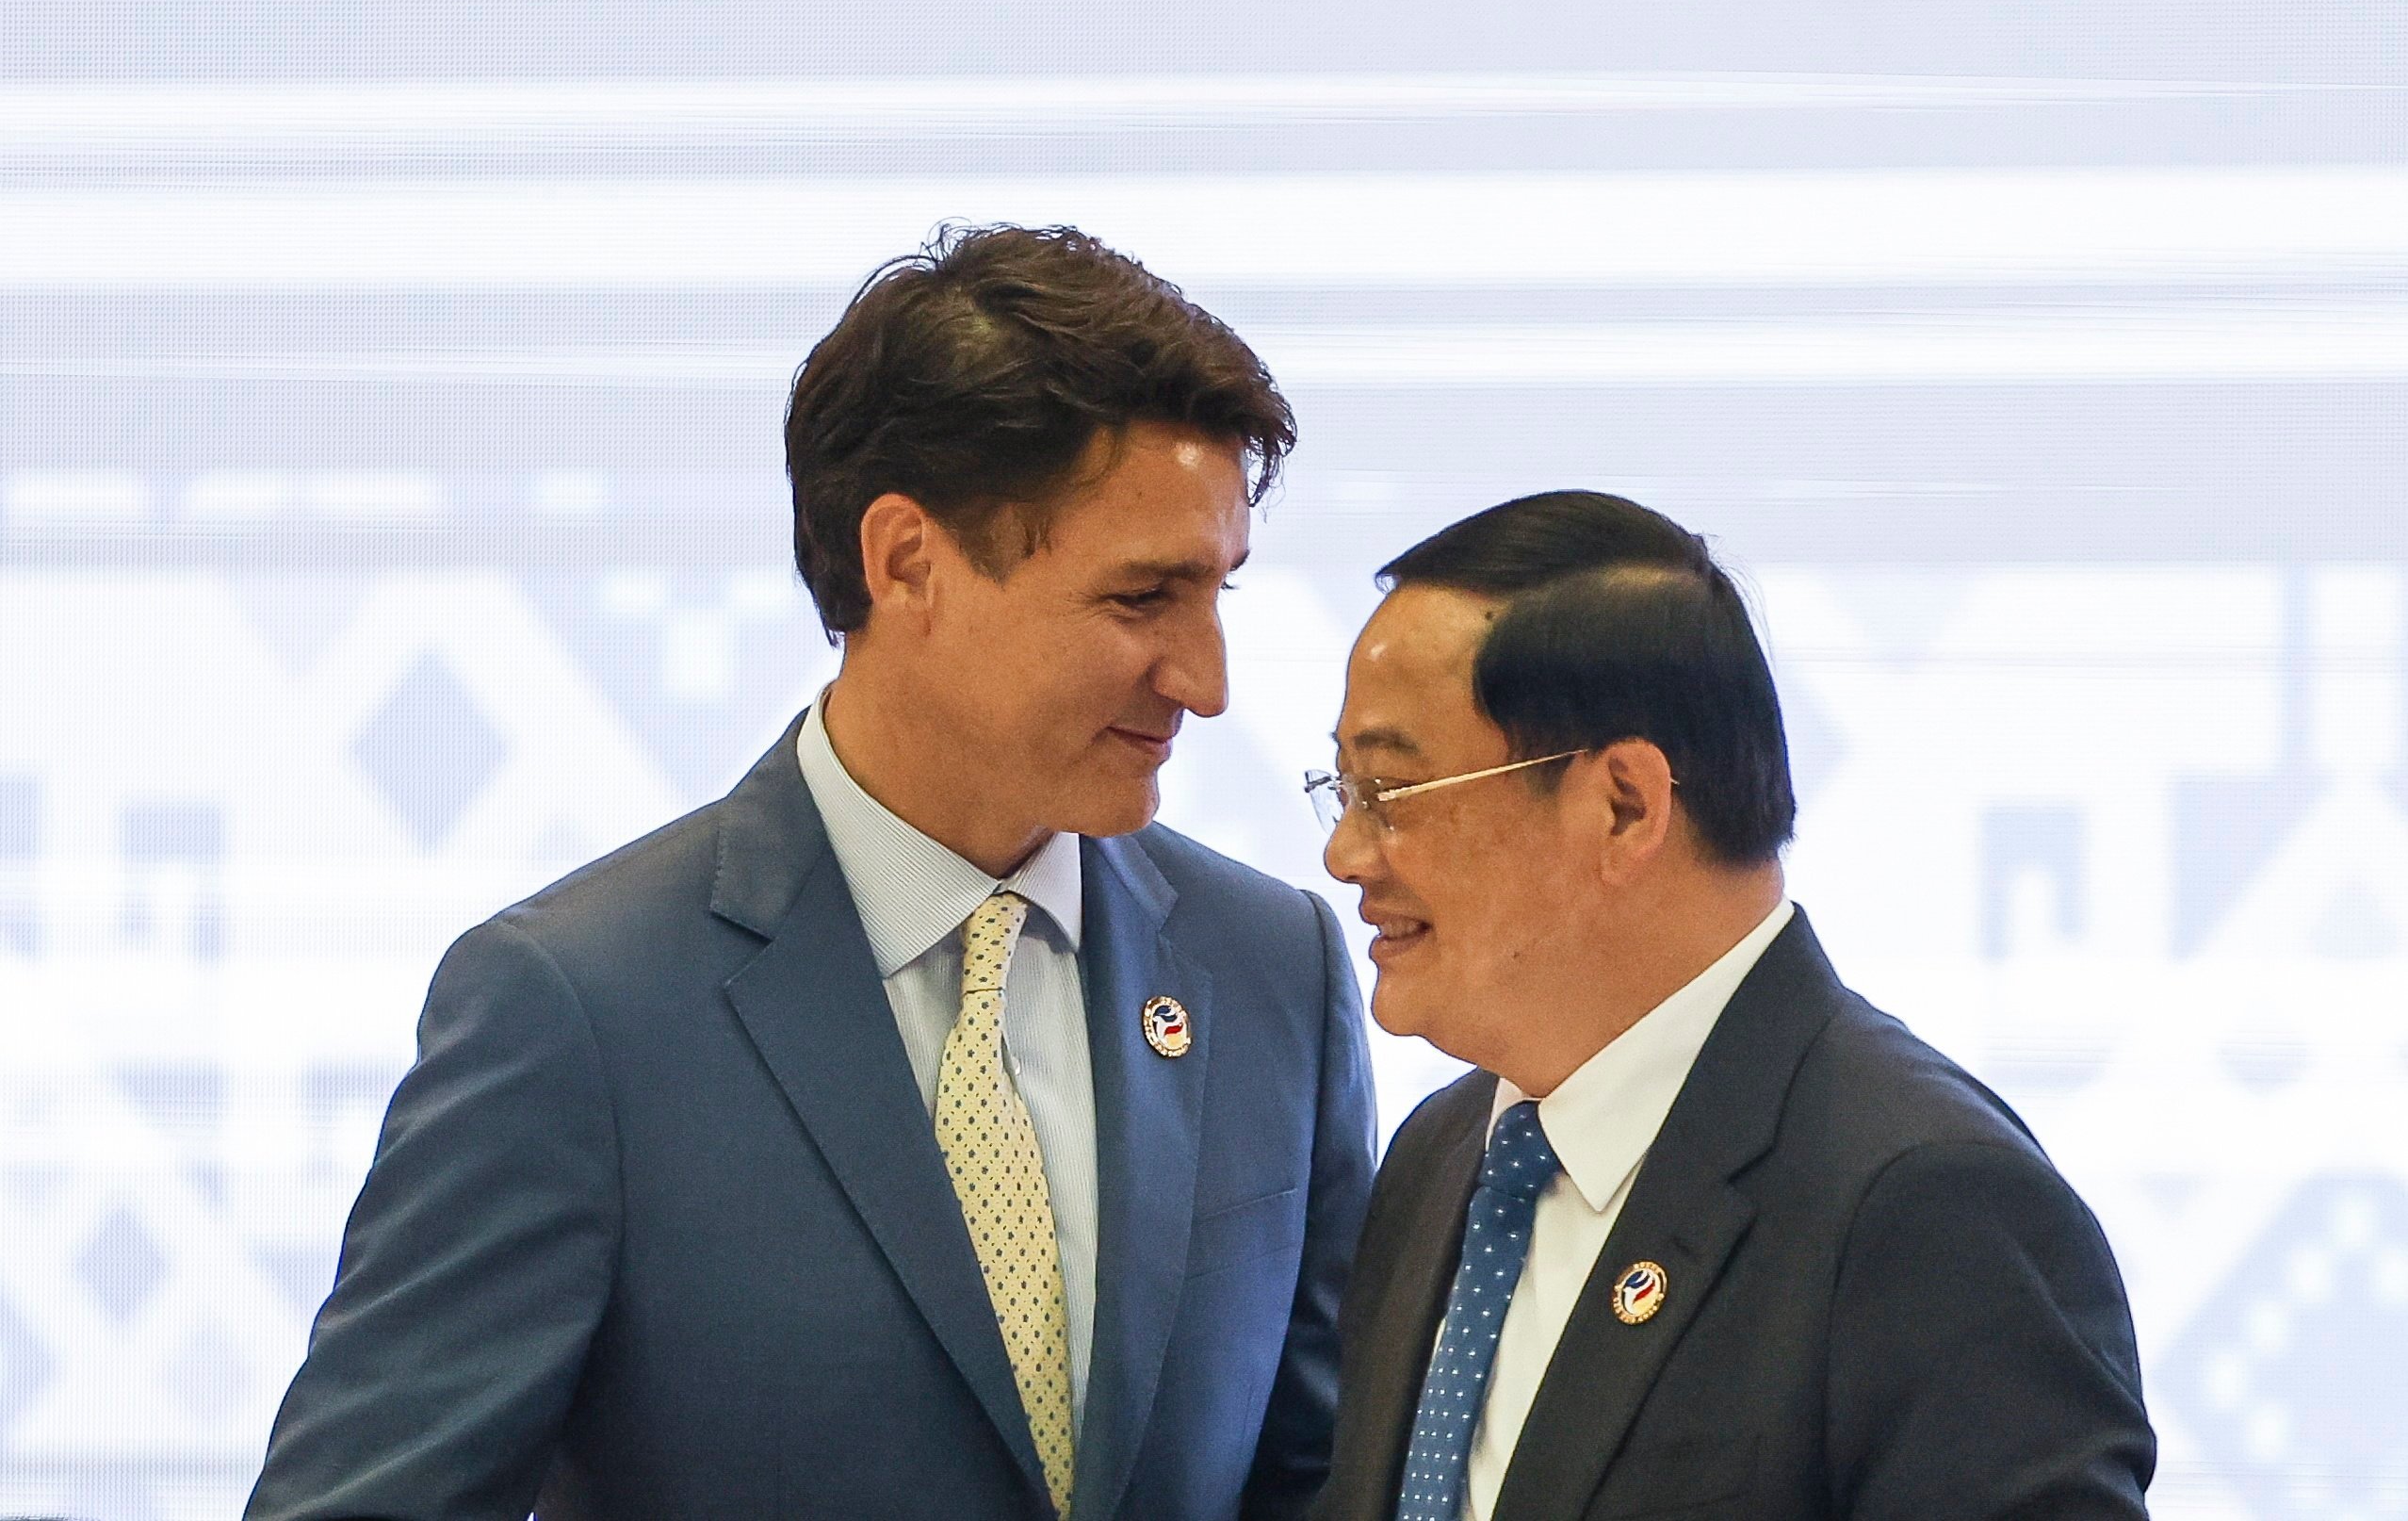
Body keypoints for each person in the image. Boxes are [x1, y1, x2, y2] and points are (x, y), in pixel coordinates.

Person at [248, 225, 1375, 1521]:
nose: (1207, 681)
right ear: (907, 562)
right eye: (1141, 600)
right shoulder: (578, 1012)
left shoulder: (1270, 968)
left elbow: (1322, 1484)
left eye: (1219, 591)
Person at [1308, 492, 2153, 1520]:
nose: (1345, 855)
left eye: (1391, 793)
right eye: (1342, 790)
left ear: (1625, 804)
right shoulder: (1443, 1158)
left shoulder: (1929, 1206)